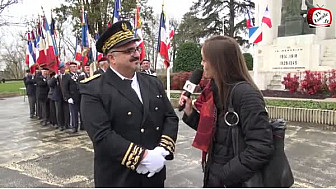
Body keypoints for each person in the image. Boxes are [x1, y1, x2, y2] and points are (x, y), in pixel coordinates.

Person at [79, 20, 179, 187]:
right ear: (112, 58)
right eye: (128, 51)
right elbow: (102, 136)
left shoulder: (152, 83)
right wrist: (142, 157)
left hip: (153, 175)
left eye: (136, 49)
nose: (136, 54)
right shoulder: (94, 89)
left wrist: (161, 151)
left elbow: (170, 117)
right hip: (118, 178)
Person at [179, 36, 274, 187]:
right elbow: (217, 132)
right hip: (215, 174)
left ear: (218, 62)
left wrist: (225, 175)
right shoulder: (215, 90)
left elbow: (261, 147)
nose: (201, 64)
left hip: (234, 181)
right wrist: (190, 113)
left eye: (204, 59)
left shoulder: (245, 94)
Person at [63, 61, 81, 133]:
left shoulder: (79, 75)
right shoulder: (67, 76)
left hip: (80, 96)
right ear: (70, 68)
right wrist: (68, 97)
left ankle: (82, 126)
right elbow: (65, 88)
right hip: (72, 97)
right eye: (73, 67)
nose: (75, 68)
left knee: (82, 112)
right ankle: (74, 126)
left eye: (75, 66)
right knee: (74, 113)